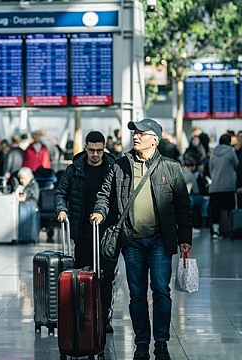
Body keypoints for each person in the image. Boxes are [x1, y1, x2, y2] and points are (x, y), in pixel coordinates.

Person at [91, 118, 192, 360]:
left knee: (161, 291)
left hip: (160, 239)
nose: (135, 137)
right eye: (134, 133)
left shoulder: (171, 167)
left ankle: (161, 342)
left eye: (141, 133)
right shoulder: (120, 166)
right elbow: (105, 195)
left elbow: (183, 206)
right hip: (131, 240)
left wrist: (184, 238)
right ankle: (141, 343)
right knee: (136, 294)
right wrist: (100, 211)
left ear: (154, 139)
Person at [54, 131, 117, 332]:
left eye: (99, 150)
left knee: (106, 275)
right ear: (85, 148)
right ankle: (83, 315)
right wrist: (61, 209)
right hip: (83, 231)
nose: (95, 155)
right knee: (81, 275)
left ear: (104, 149)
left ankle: (104, 315)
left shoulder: (113, 168)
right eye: (91, 150)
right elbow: (60, 193)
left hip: (108, 231)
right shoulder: (75, 169)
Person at [208, 134, 239, 239]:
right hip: (228, 186)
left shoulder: (213, 153)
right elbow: (237, 165)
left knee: (215, 210)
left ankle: (216, 230)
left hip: (215, 186)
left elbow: (210, 168)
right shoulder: (231, 151)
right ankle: (231, 228)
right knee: (230, 209)